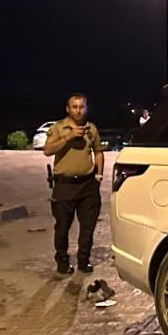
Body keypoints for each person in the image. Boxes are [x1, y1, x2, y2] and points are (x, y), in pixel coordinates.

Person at [43, 93, 105, 275]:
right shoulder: (58, 127)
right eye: (74, 107)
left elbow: (98, 151)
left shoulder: (91, 128)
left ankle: (83, 260)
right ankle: (62, 260)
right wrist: (68, 137)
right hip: (65, 185)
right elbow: (48, 150)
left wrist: (99, 175)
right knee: (62, 227)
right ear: (68, 109)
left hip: (88, 185)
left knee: (88, 227)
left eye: (81, 107)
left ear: (86, 108)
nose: (78, 110)